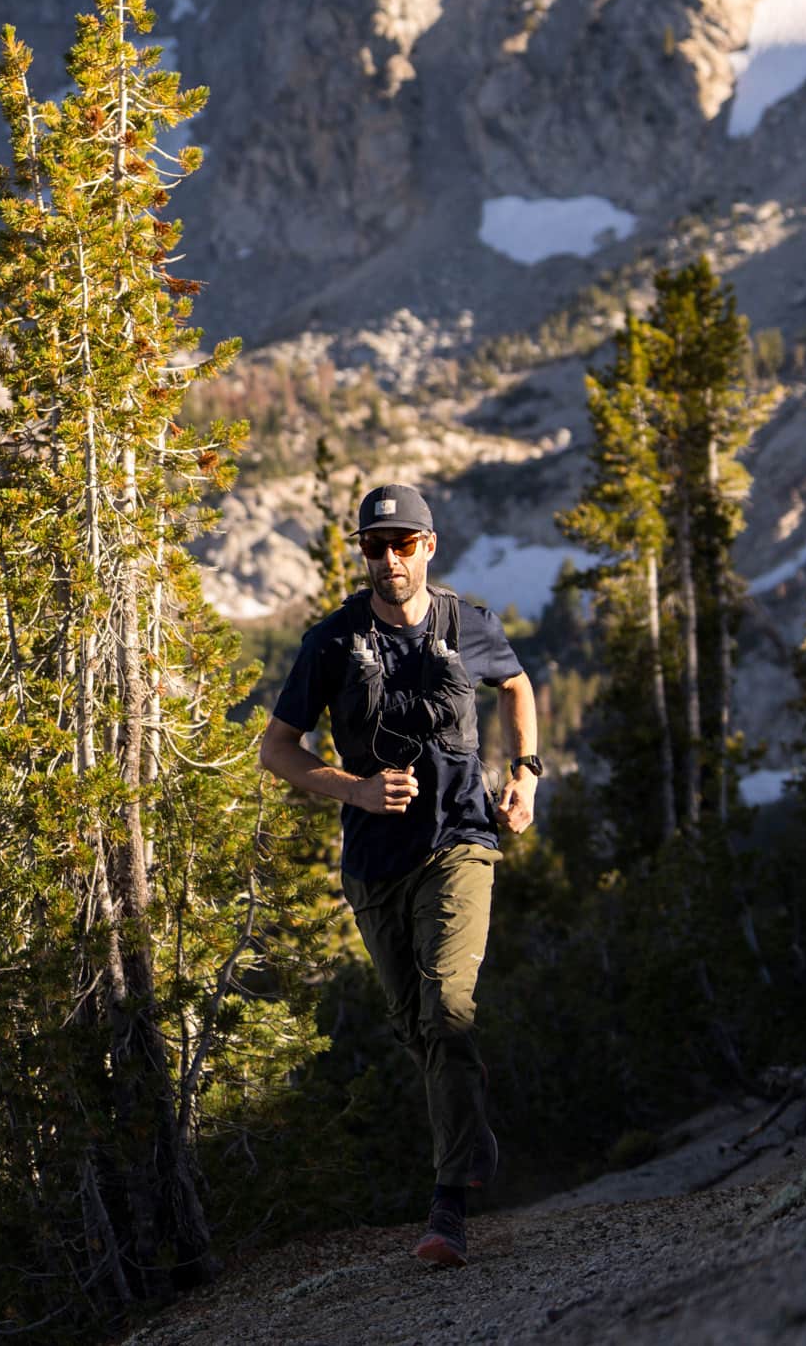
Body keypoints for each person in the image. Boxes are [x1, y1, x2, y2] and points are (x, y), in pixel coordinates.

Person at [258, 482, 542, 1268]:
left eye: (403, 544)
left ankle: (447, 1208)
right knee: (418, 1026)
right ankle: (471, 1128)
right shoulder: (330, 642)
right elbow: (277, 749)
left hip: (461, 841)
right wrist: (353, 789)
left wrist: (525, 773)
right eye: (375, 547)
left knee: (447, 1004)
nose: (389, 560)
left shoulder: (467, 624)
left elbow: (517, 685)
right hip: (375, 865)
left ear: (429, 545)